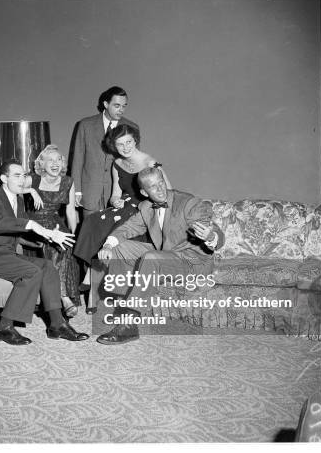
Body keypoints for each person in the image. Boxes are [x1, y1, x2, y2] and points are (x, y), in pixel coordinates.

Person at [95, 167, 225, 345]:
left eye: (161, 183)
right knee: (120, 248)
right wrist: (108, 245)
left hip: (193, 262)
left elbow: (212, 228)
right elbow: (128, 228)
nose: (160, 189)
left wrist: (211, 236)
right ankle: (124, 306)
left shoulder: (187, 203)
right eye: (153, 186)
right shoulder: (146, 207)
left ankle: (129, 325)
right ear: (144, 192)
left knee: (152, 257)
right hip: (168, 255)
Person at [0, 160, 90, 346]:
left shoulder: (17, 199)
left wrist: (48, 236)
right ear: (3, 178)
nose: (22, 180)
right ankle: (3, 327)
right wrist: (32, 225)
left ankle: (57, 324)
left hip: (6, 254)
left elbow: (21, 227)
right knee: (31, 272)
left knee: (48, 266)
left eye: (24, 175)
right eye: (16, 175)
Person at [73, 124, 171, 296]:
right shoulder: (117, 163)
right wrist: (115, 201)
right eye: (120, 144)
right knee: (92, 220)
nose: (125, 148)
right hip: (125, 204)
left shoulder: (150, 162)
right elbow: (115, 195)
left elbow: (168, 192)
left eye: (129, 142)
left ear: (135, 141)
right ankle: (93, 270)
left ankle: (94, 275)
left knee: (116, 224)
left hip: (145, 206)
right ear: (114, 146)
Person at [25, 145, 80, 317]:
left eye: (58, 160)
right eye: (50, 160)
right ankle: (63, 298)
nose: (55, 163)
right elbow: (9, 187)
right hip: (34, 223)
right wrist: (30, 190)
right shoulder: (32, 179)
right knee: (53, 245)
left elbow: (70, 211)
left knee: (65, 243)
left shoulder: (68, 182)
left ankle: (60, 295)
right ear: (42, 164)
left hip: (54, 221)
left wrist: (74, 234)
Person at [70, 86, 140, 217]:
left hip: (119, 196)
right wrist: (76, 191)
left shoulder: (132, 128)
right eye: (117, 105)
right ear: (106, 104)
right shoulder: (85, 125)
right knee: (90, 235)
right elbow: (77, 160)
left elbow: (134, 164)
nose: (121, 110)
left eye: (124, 106)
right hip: (90, 193)